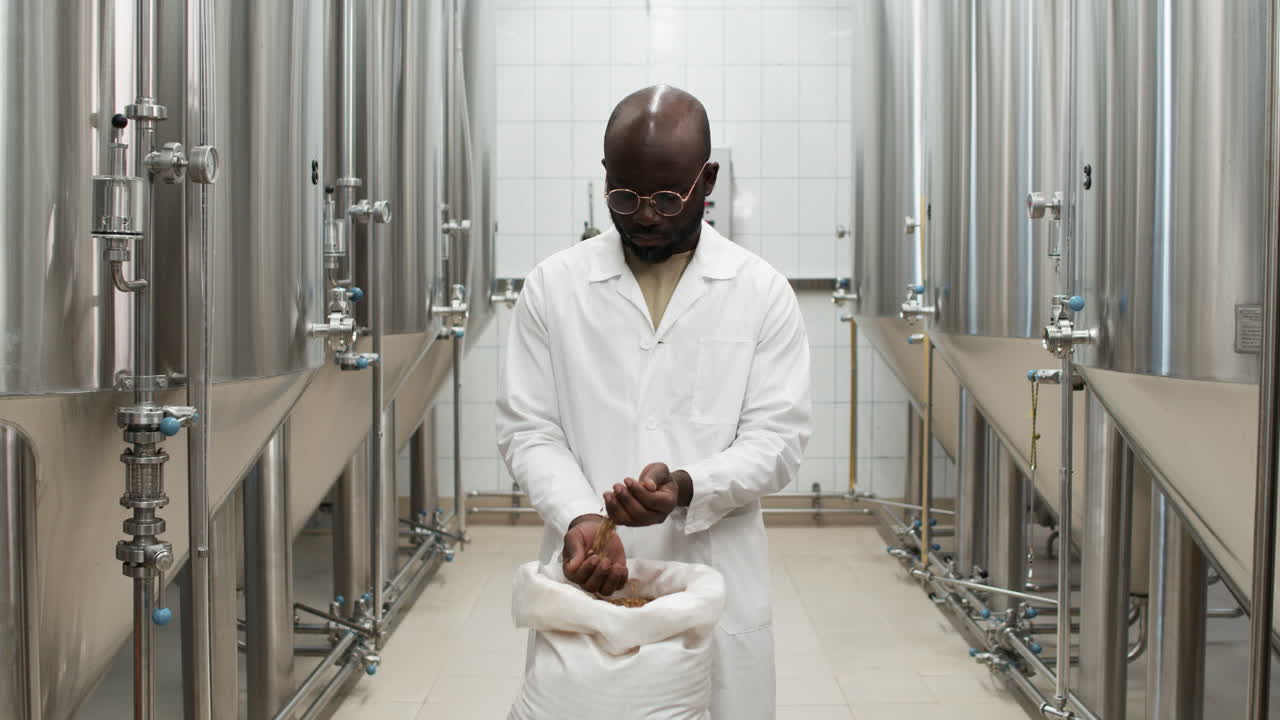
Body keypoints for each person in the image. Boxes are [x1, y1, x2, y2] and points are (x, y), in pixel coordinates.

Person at [496, 85, 812, 718]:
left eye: (669, 196)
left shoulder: (760, 291)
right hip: (587, 575)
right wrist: (581, 516)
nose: (645, 215)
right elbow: (530, 430)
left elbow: (777, 440)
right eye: (625, 195)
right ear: (606, 176)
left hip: (715, 576)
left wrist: (690, 487)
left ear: (708, 180)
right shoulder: (554, 287)